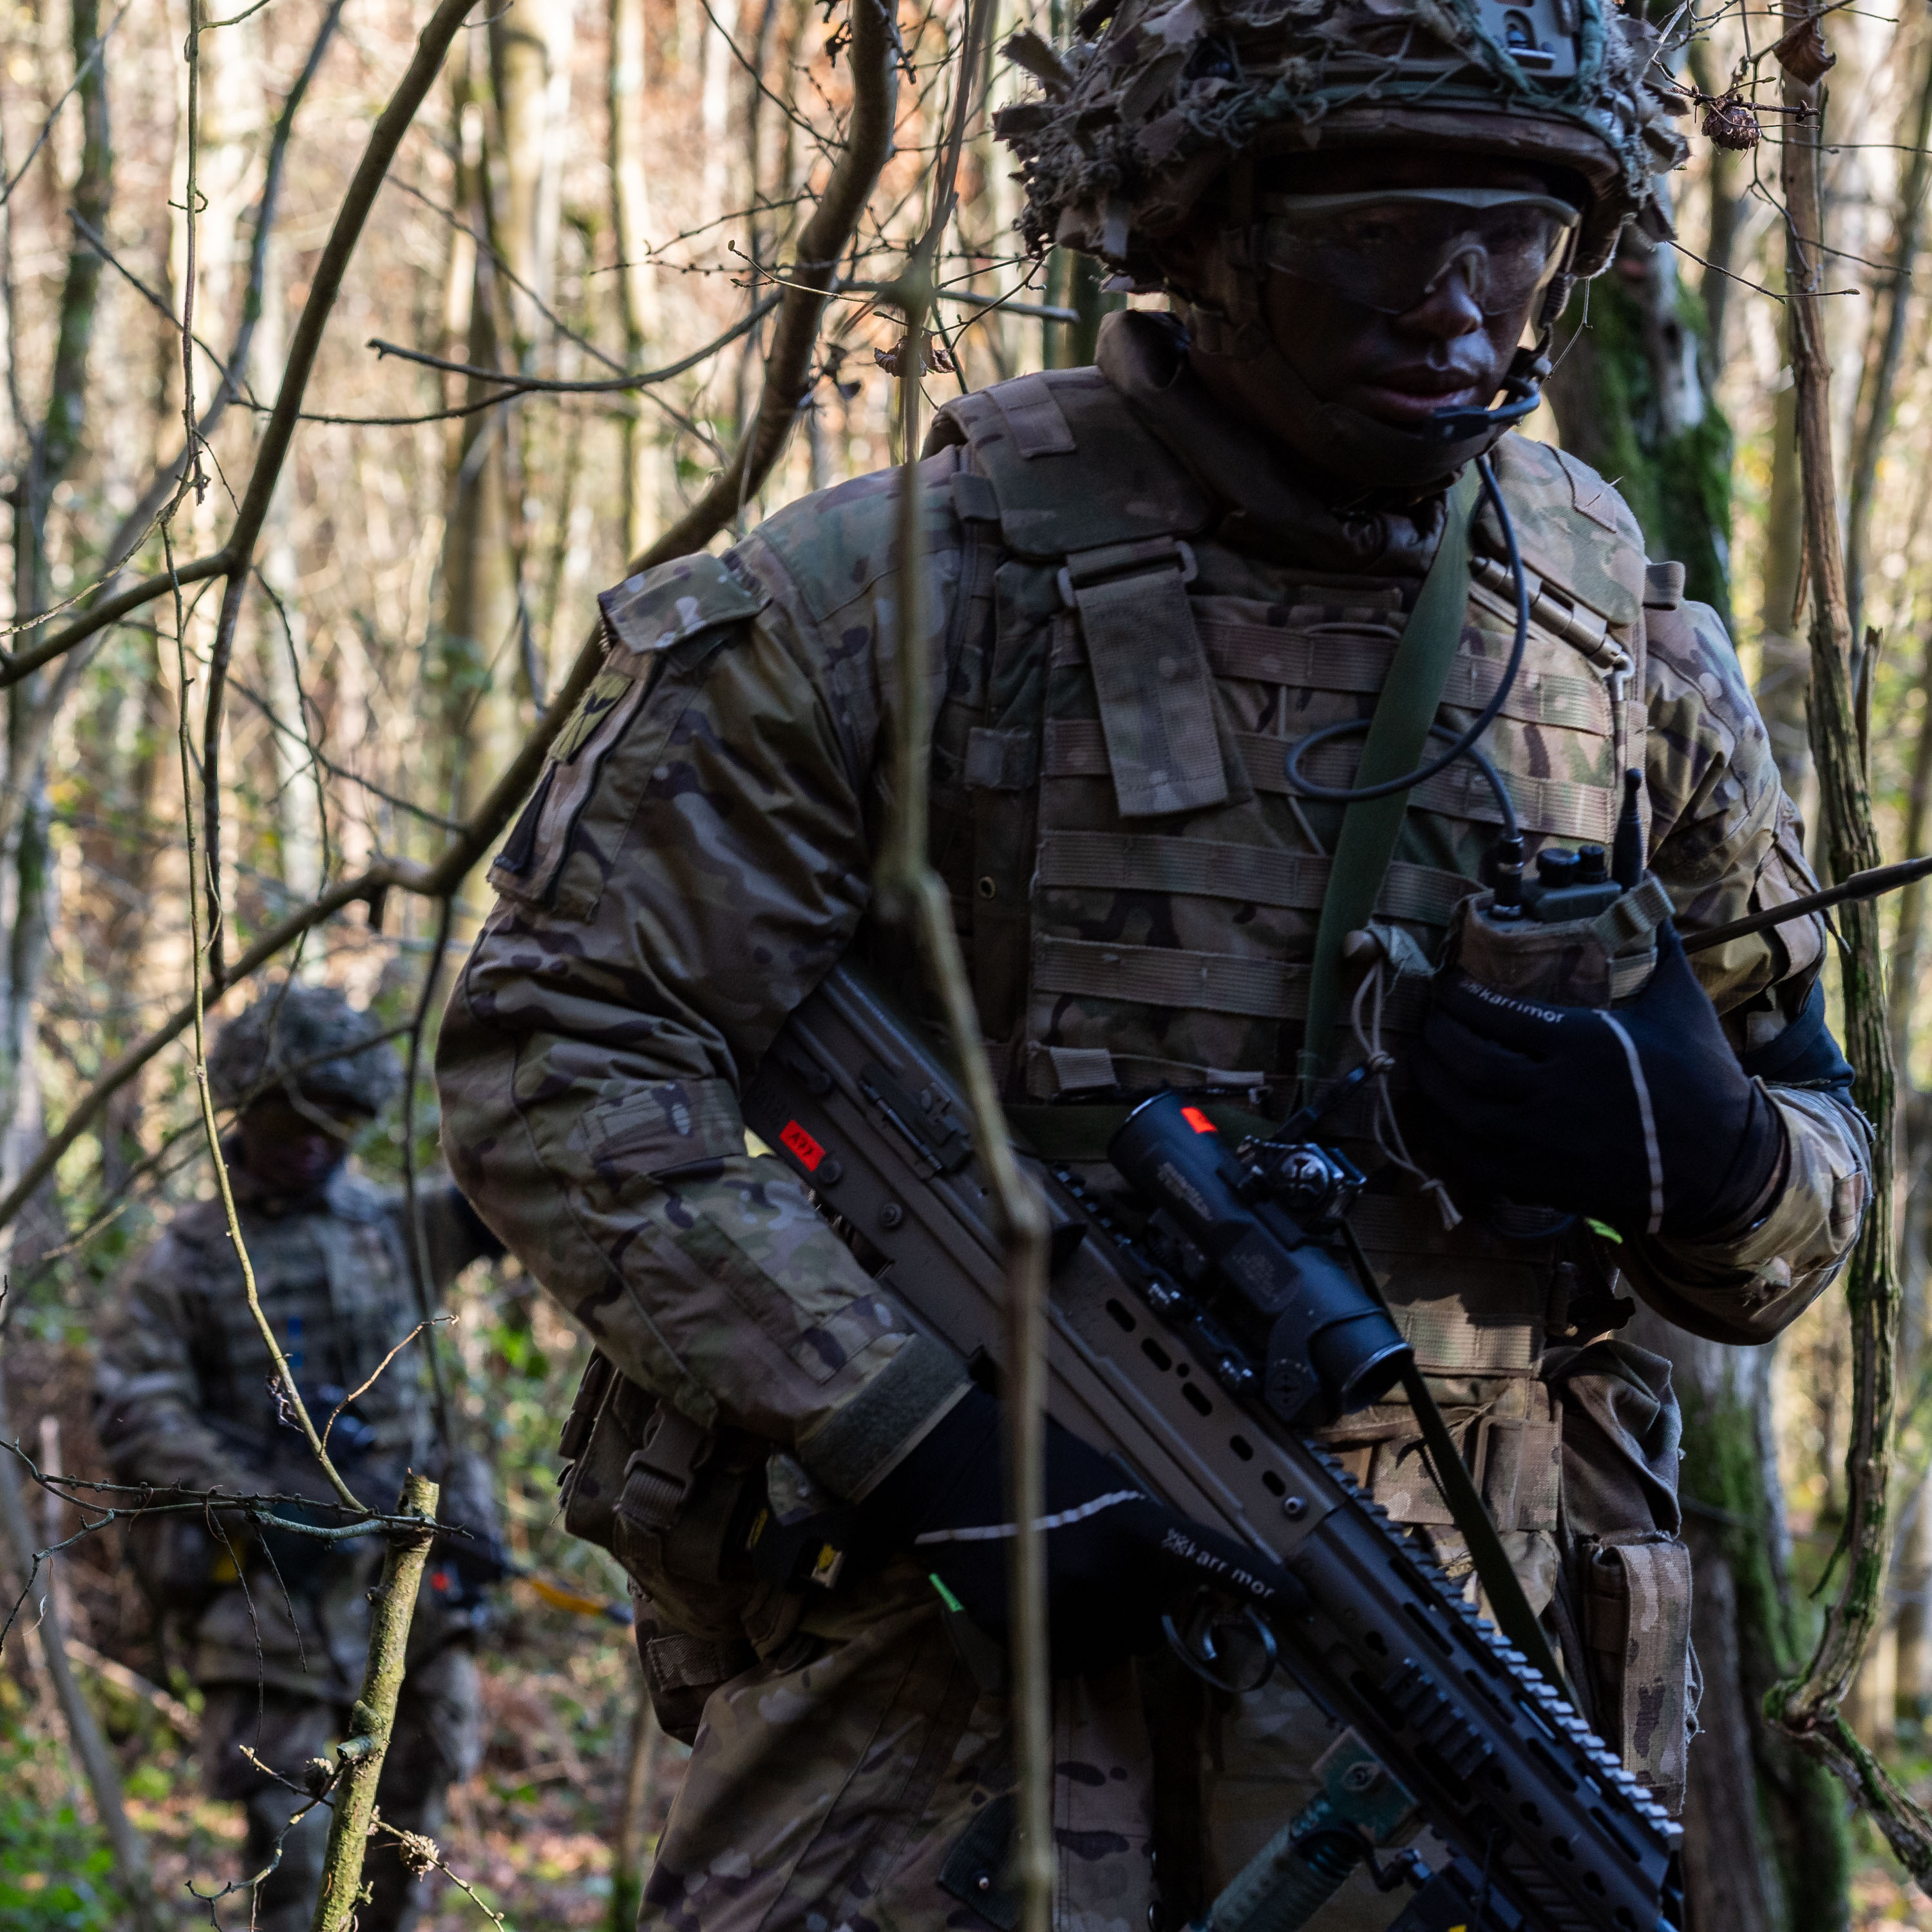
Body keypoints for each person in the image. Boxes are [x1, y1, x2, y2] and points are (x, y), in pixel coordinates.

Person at [434, 0, 1873, 1924]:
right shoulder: (893, 601)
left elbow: (1813, 1159)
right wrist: (912, 1429)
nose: (1449, 302)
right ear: (1200, 225)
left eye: (1510, 240)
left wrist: (1719, 1166)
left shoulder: (1624, 655)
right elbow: (557, 1053)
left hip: (1484, 1669)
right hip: (963, 1701)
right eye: (1372, 237)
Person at [95, 983, 503, 1932]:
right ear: (244, 1112)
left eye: (342, 1121)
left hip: (408, 1586)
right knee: (292, 1853)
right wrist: (261, 1496)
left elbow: (520, 1178)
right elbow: (134, 1404)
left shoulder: (398, 1226)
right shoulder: (191, 1258)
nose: (315, 1141)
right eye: (291, 1118)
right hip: (270, 1595)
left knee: (410, 1828)